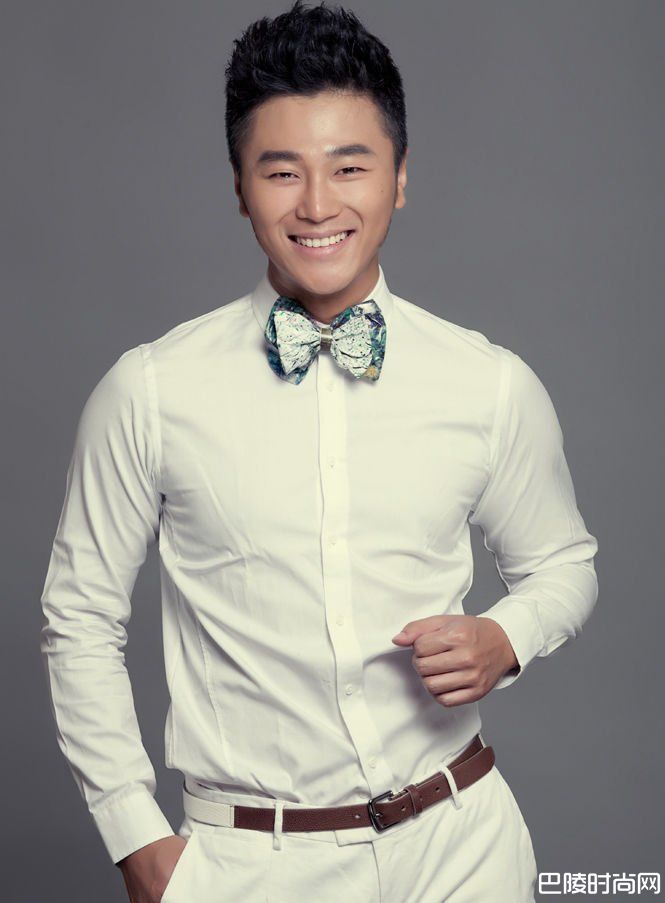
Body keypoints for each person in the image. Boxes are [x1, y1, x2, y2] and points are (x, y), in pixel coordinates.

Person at [39, 2, 599, 901]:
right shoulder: (147, 392)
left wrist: (508, 635)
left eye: (349, 166)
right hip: (250, 867)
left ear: (399, 177)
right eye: (281, 171)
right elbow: (79, 616)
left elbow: (563, 562)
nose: (316, 204)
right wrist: (134, 833)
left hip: (463, 846)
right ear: (239, 186)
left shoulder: (488, 382)